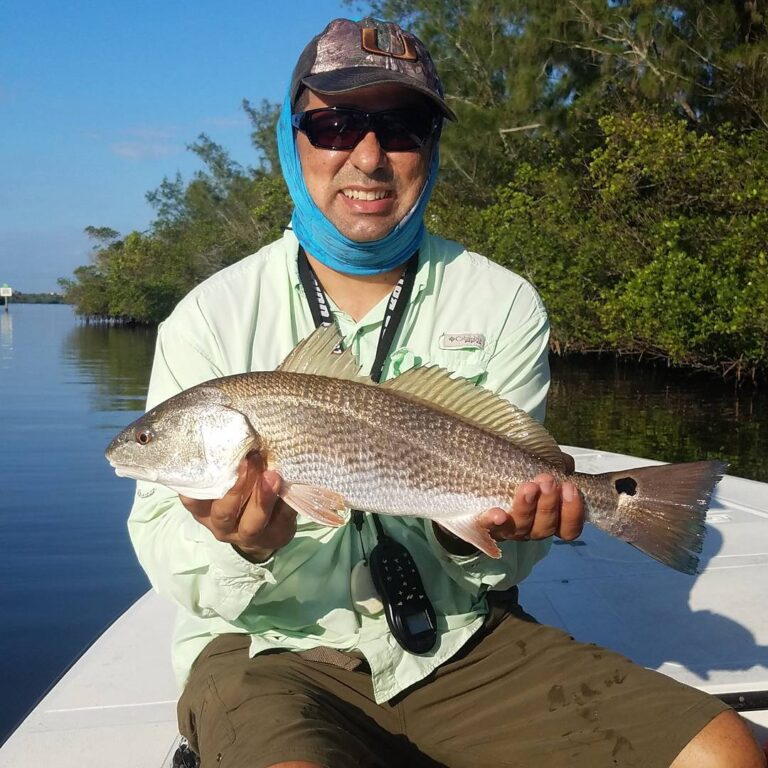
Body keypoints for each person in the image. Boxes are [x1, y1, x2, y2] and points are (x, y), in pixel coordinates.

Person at [128, 16, 765, 768]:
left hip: (462, 634)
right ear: (291, 140)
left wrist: (483, 525)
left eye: (402, 125)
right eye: (334, 123)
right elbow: (169, 560)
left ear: (431, 146)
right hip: (268, 648)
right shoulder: (208, 316)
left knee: (726, 754)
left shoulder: (501, 302)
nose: (368, 156)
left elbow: (507, 551)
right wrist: (249, 550)